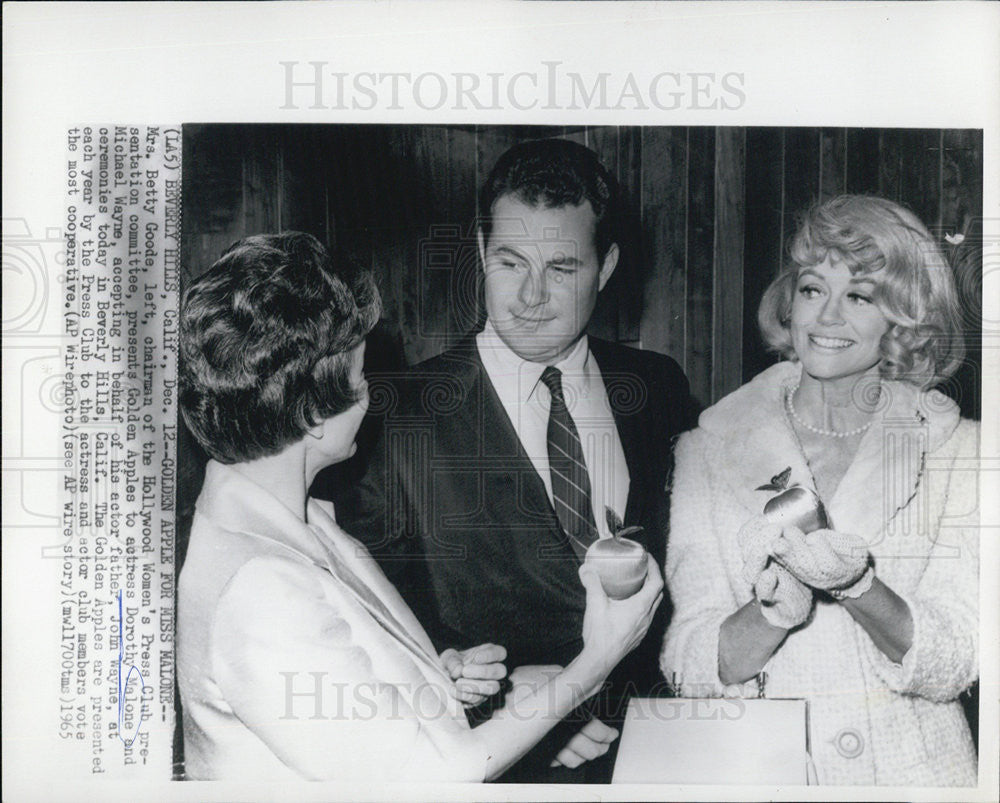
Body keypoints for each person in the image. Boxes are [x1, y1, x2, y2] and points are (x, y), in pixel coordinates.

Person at [176, 232, 663, 781]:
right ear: (313, 414)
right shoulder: (259, 588)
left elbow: (347, 693)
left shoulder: (291, 516)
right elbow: (439, 776)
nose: (368, 397)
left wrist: (439, 679)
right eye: (361, 380)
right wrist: (596, 662)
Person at [315, 138, 696, 782]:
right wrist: (506, 693)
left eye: (564, 269)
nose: (531, 296)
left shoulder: (655, 386)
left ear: (606, 268)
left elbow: (685, 572)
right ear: (480, 251)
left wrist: (612, 701)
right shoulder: (392, 415)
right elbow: (368, 619)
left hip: (651, 759)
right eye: (510, 263)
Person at [661, 195, 978, 786]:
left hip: (918, 777)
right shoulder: (708, 448)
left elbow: (959, 657)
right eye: (812, 289)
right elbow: (688, 665)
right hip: (767, 776)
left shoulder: (960, 449)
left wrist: (860, 587)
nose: (826, 318)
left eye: (858, 297)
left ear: (903, 318)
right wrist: (770, 614)